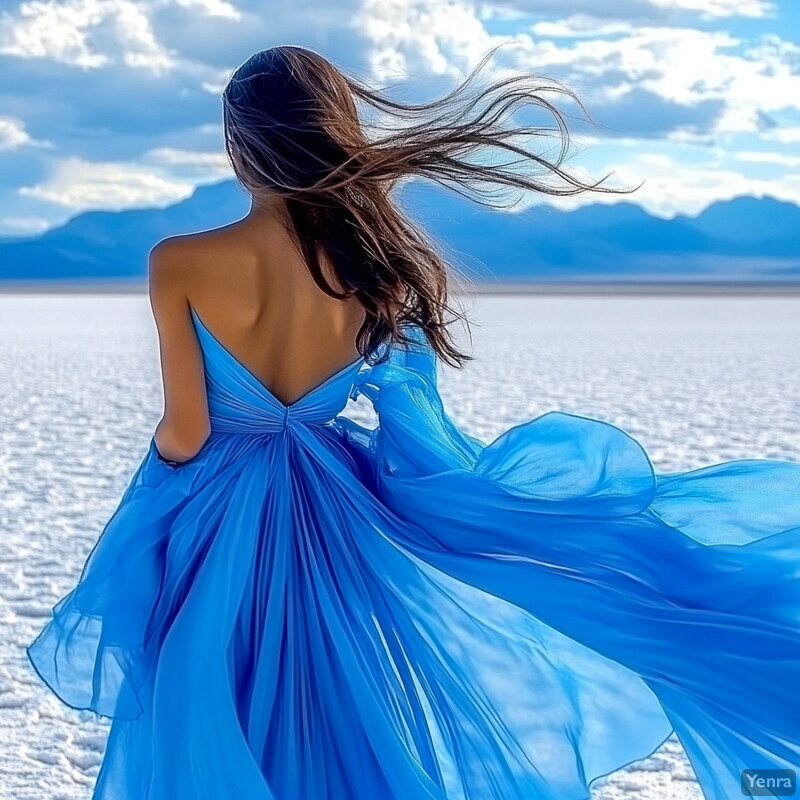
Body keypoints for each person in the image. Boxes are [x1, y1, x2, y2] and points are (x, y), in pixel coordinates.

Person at [27, 45, 800, 800]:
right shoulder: (374, 275)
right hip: (334, 519)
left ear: (241, 143)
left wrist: (156, 486)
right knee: (338, 713)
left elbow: (187, 432)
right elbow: (399, 413)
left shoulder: (180, 261)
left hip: (221, 525)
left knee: (204, 709)